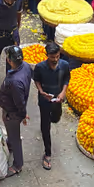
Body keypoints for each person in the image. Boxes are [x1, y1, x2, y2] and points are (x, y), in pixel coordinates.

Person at [33, 42, 70, 170]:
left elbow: (66, 79)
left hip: (58, 98)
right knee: (45, 125)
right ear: (46, 55)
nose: (55, 60)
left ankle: (51, 120)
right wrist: (41, 91)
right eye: (52, 57)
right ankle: (48, 153)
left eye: (57, 56)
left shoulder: (64, 65)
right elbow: (36, 80)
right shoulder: (39, 67)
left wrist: (63, 92)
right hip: (44, 99)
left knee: (56, 118)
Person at [0, 46, 32, 178]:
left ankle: (18, 164)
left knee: (14, 137)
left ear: (8, 60)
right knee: (12, 136)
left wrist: (23, 115)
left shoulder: (14, 81)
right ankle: (11, 144)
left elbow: (19, 101)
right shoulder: (26, 67)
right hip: (16, 109)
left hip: (12, 113)